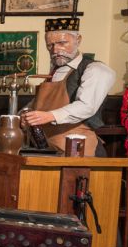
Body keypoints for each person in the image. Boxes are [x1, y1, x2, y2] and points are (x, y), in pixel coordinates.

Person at [21, 18, 116, 156]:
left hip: (80, 152)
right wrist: (25, 114)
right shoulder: (54, 72)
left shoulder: (96, 69)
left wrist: (50, 116)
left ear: (78, 39)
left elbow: (86, 106)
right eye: (50, 45)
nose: (55, 50)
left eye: (62, 43)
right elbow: (39, 103)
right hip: (48, 150)